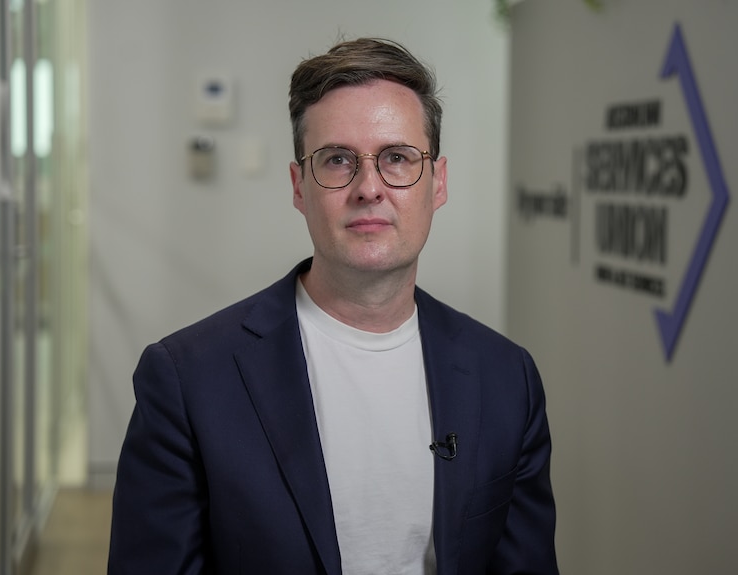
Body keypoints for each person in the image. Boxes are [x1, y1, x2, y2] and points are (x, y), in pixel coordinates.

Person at [108, 37, 558, 575]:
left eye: (397, 158)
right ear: (299, 187)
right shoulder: (187, 381)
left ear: (437, 182)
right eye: (338, 160)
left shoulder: (507, 378)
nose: (369, 188)